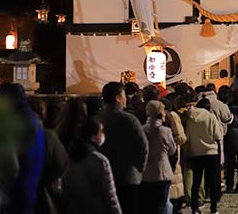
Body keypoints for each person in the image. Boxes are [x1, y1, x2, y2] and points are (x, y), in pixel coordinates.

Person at [100, 82, 149, 214]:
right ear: (117, 98)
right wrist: (139, 169)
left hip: (103, 178)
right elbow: (143, 147)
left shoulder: (98, 119)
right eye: (123, 95)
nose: (126, 98)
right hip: (129, 177)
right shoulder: (129, 120)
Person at [0, 83, 45, 214]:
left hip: (15, 193)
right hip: (30, 188)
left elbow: (12, 165)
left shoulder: (16, 123)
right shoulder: (35, 121)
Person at [62, 117, 121, 214]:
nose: (103, 135)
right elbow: (110, 194)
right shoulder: (100, 160)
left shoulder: (71, 156)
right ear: (93, 136)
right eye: (101, 131)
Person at [185, 97, 222, 214]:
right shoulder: (211, 117)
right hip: (211, 152)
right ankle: (213, 208)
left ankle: (195, 207)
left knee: (196, 180)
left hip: (196, 152)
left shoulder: (190, 118)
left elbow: (188, 136)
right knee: (213, 180)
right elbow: (217, 135)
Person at [140, 100, 177, 214]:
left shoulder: (141, 129)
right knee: (161, 205)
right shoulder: (165, 131)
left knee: (148, 205)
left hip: (145, 173)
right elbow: (172, 150)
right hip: (162, 173)